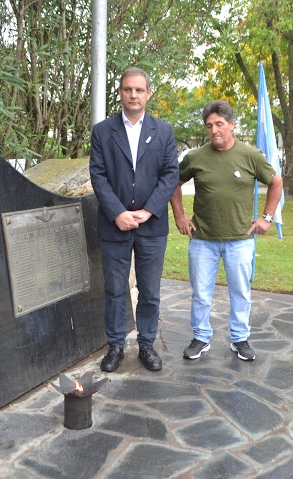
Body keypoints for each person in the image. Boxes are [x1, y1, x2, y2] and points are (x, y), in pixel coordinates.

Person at [170, 100, 283, 362]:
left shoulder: (250, 155)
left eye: (219, 124)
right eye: (209, 126)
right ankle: (201, 338)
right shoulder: (195, 157)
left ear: (232, 124)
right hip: (202, 239)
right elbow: (174, 183)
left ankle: (239, 338)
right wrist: (179, 216)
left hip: (240, 239)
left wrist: (266, 217)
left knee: (241, 292)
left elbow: (276, 182)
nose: (214, 130)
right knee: (200, 293)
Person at [89, 67, 179, 373]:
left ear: (148, 94)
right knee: (114, 289)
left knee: (150, 289)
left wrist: (150, 209)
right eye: (128, 89)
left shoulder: (163, 131)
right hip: (114, 225)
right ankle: (115, 345)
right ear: (120, 92)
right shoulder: (103, 131)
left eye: (139, 90)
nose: (134, 95)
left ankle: (146, 344)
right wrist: (117, 213)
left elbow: (170, 175)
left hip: (151, 226)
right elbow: (98, 176)